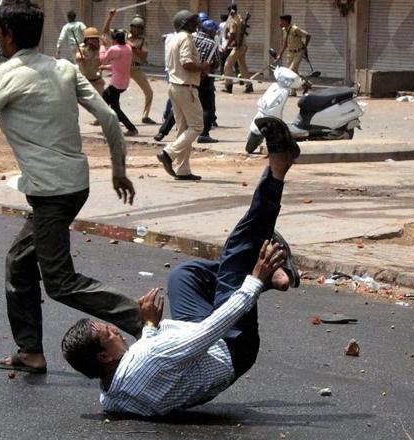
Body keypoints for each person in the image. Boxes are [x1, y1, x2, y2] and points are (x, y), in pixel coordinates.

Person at [61, 117, 301, 416]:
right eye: (110, 335)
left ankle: (270, 276)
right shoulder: (152, 357)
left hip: (189, 345)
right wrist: (253, 280)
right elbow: (212, 330)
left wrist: (150, 328)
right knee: (241, 245)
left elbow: (147, 372)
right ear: (103, 357)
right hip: (229, 346)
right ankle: (279, 167)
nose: (119, 332)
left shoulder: (110, 395)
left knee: (184, 275)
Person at [0, 0, 139, 375]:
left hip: (51, 193)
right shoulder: (63, 68)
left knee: (59, 283)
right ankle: (29, 351)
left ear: (7, 35)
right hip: (75, 185)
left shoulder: (8, 74)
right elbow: (109, 117)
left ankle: (141, 318)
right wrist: (118, 170)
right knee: (19, 263)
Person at [156, 10, 211, 181]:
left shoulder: (173, 39)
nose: (197, 25)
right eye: (194, 22)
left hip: (175, 86)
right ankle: (168, 153)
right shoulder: (186, 38)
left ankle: (182, 170)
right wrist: (203, 67)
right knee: (197, 127)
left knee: (183, 129)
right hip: (186, 88)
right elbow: (187, 63)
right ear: (184, 23)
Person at [103, 11, 155, 125]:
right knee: (110, 93)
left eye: (140, 28)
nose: (137, 30)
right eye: (135, 27)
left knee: (149, 92)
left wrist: (134, 48)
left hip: (135, 68)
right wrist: (110, 16)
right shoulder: (123, 34)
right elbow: (106, 31)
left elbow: (144, 56)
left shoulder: (142, 40)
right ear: (131, 27)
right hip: (121, 68)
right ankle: (101, 116)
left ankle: (145, 116)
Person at [99, 27, 139, 136]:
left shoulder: (114, 49)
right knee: (104, 102)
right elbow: (118, 66)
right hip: (124, 83)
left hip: (116, 84)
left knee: (113, 107)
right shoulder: (128, 48)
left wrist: (103, 45)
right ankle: (109, 125)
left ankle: (131, 128)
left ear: (115, 40)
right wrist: (105, 67)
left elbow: (102, 59)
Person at [192, 19, 220, 144]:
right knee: (207, 108)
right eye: (214, 30)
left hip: (189, 76)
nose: (215, 33)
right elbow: (216, 63)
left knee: (185, 104)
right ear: (210, 30)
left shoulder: (191, 38)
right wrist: (210, 66)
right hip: (204, 78)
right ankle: (204, 134)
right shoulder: (211, 43)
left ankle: (164, 131)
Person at [277, 14, 310, 96]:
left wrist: (305, 46)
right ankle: (305, 85)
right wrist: (280, 54)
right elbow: (285, 43)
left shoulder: (295, 29)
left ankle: (293, 90)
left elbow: (308, 35)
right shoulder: (284, 30)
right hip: (290, 53)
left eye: (281, 21)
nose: (279, 23)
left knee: (290, 71)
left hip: (298, 53)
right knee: (294, 73)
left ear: (286, 21)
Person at [222, 3, 252, 94]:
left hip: (238, 47)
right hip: (243, 45)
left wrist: (226, 47)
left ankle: (228, 86)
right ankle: (249, 85)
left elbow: (232, 35)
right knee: (243, 66)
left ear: (231, 11)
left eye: (229, 11)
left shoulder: (233, 20)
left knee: (227, 65)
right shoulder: (240, 18)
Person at [75, 27, 104, 96]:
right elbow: (78, 55)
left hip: (98, 82)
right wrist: (81, 57)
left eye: (95, 39)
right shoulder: (82, 48)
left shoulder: (101, 49)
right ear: (87, 40)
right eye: (91, 39)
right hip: (85, 82)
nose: (94, 41)